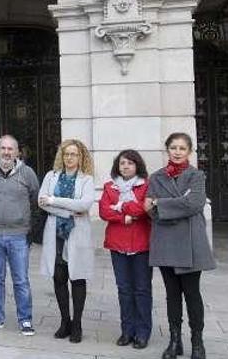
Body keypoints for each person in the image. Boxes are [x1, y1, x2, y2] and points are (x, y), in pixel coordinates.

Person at [145, 132, 215, 359]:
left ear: (189, 152)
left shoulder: (196, 175)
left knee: (192, 294)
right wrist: (171, 205)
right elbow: (149, 209)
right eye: (173, 148)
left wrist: (160, 204)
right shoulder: (156, 177)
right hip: (165, 242)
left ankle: (197, 341)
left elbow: (194, 203)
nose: (177, 152)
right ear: (167, 150)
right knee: (172, 294)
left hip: (191, 243)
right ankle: (175, 341)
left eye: (182, 148)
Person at [0, 134, 39, 336]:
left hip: (18, 236)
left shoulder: (27, 173)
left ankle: (25, 320)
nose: (6, 152)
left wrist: (27, 226)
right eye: (3, 148)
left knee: (21, 280)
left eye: (11, 148)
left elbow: (35, 199)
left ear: (17, 152)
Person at [38, 139, 96, 344]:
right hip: (56, 235)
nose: (70, 158)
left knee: (78, 279)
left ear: (81, 158)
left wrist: (54, 200)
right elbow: (41, 202)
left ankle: (77, 323)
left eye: (74, 154)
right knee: (59, 277)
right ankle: (65, 322)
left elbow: (85, 204)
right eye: (66, 154)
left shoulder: (87, 180)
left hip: (77, 235)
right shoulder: (50, 176)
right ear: (61, 156)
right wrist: (70, 210)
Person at [98, 150, 152, 350]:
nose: (126, 166)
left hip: (141, 245)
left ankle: (143, 332)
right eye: (122, 163)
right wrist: (125, 216)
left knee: (142, 290)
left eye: (130, 163)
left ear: (137, 165)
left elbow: (143, 209)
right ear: (117, 166)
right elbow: (104, 211)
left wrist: (119, 206)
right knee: (124, 290)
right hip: (117, 244)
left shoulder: (146, 185)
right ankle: (127, 331)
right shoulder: (109, 187)